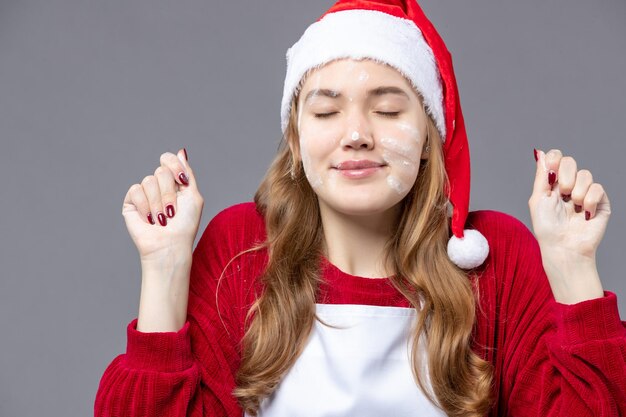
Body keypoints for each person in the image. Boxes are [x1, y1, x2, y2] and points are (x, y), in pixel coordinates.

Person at [95, 1, 626, 416]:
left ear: (427, 136)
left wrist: (574, 267)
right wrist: (164, 270)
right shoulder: (241, 251)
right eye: (326, 111)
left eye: (388, 108)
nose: (355, 135)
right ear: (297, 141)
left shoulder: (497, 261)